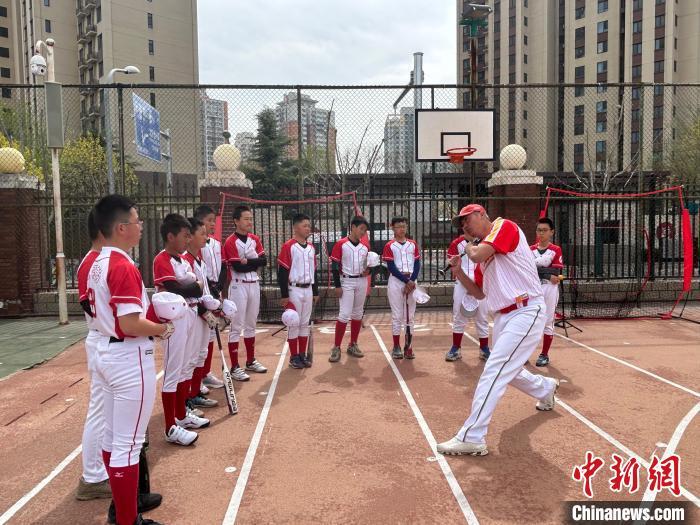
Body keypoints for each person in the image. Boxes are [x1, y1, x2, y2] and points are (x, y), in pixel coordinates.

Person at [437, 204, 559, 457]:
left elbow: (477, 253)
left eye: (467, 219)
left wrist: (467, 247)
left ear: (482, 215)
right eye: (461, 223)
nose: (464, 226)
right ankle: (545, 388)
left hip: (526, 309)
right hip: (504, 315)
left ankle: (472, 437)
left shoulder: (504, 226)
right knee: (507, 370)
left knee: (494, 370)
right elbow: (479, 293)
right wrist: (458, 273)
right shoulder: (483, 254)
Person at [89, 194, 172, 525]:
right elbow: (129, 324)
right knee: (129, 444)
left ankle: (124, 514)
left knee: (113, 439)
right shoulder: (121, 265)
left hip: (106, 350)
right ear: (121, 228)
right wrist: (162, 329)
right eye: (137, 222)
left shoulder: (96, 262)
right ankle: (127, 519)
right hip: (127, 355)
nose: (141, 227)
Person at [153, 214, 209, 446]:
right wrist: (193, 287)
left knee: (186, 367)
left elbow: (195, 287)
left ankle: (182, 415)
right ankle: (170, 427)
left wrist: (193, 287)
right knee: (173, 370)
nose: (188, 240)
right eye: (185, 236)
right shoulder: (162, 259)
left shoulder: (183, 261)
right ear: (170, 236)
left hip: (190, 313)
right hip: (173, 319)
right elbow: (175, 288)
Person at [75, 209, 112, 501]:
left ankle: (101, 471)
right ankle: (92, 476)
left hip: (106, 337)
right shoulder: (92, 263)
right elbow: (91, 306)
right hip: (102, 338)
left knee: (106, 410)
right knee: (99, 411)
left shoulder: (100, 261)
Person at [222, 205, 268, 380]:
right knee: (236, 326)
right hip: (238, 286)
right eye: (246, 218)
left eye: (250, 218)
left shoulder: (254, 239)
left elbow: (264, 261)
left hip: (254, 284)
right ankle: (234, 367)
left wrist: (248, 260)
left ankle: (250, 360)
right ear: (236, 221)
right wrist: (253, 261)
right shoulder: (230, 241)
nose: (250, 222)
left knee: (251, 324)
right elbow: (237, 267)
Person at [182, 217, 219, 409]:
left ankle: (195, 393)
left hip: (203, 313)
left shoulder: (200, 259)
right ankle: (186, 398)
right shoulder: (185, 261)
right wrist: (206, 310)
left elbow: (204, 289)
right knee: (190, 358)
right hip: (193, 314)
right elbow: (188, 293)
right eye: (202, 234)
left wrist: (215, 305)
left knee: (201, 354)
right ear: (189, 237)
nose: (206, 237)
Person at [445, 215, 491, 362]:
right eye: (463, 225)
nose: (466, 227)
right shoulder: (456, 243)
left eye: (468, 223)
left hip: (481, 284)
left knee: (482, 317)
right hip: (462, 283)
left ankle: (484, 349)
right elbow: (453, 265)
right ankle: (456, 348)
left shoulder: (484, 242)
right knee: (459, 316)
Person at [277, 213, 319, 369]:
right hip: (294, 289)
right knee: (294, 323)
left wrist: (315, 291)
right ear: (295, 227)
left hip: (308, 289)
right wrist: (284, 295)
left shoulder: (311, 248)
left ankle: (302, 354)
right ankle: (294, 356)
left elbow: (313, 271)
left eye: (309, 226)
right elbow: (282, 271)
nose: (308, 228)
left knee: (304, 323)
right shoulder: (289, 246)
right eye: (304, 225)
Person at [328, 216, 371, 363]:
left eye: (365, 230)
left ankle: (353, 344)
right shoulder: (341, 243)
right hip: (346, 280)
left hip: (361, 280)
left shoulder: (365, 247)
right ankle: (336, 347)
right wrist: (337, 286)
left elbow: (370, 265)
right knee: (344, 314)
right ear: (353, 227)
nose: (363, 232)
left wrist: (369, 271)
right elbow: (334, 266)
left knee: (357, 313)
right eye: (361, 229)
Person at [193, 205, 226, 392]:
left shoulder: (215, 243)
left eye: (214, 221)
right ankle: (198, 376)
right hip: (204, 292)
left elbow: (223, 266)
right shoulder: (197, 245)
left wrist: (219, 287)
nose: (213, 224)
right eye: (209, 220)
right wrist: (210, 289)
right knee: (201, 337)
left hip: (215, 290)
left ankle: (205, 373)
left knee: (211, 333)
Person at [381, 217, 420, 359]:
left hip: (411, 281)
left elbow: (417, 263)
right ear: (393, 228)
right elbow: (391, 267)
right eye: (398, 226)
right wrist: (406, 281)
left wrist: (412, 281)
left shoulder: (412, 244)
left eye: (404, 226)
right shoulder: (389, 245)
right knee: (397, 315)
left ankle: (409, 346)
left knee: (410, 316)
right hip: (397, 281)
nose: (402, 229)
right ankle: (396, 346)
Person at [531, 217, 564, 367]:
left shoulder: (555, 249)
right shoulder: (530, 249)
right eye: (539, 230)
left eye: (545, 230)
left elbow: (556, 272)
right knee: (529, 321)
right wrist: (546, 274)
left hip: (549, 289)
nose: (541, 233)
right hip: (533, 289)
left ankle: (544, 354)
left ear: (552, 232)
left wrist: (538, 271)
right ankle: (524, 354)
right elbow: (527, 270)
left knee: (548, 321)